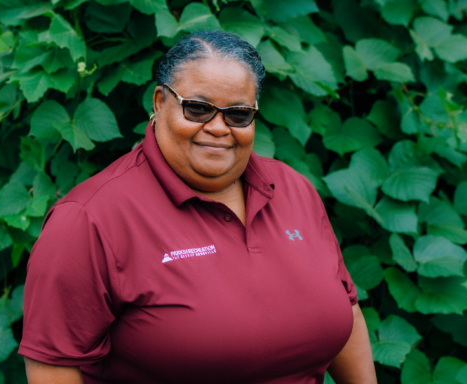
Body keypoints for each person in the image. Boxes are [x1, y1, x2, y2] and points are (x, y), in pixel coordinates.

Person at [19, 30, 377, 384]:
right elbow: (53, 366)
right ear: (159, 102)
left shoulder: (293, 189)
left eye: (237, 114)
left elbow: (347, 309)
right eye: (198, 108)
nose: (218, 127)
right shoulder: (89, 219)